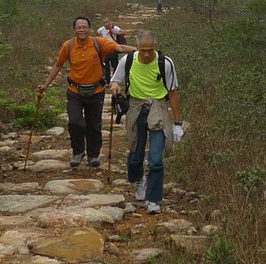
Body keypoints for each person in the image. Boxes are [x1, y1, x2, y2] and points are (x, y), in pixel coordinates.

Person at [38, 16, 135, 168]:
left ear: (89, 29)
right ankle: (78, 152)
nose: (81, 30)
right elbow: (58, 65)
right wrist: (45, 85)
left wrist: (141, 50)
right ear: (74, 29)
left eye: (84, 27)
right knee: (75, 122)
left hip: (96, 91)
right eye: (79, 27)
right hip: (75, 91)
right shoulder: (68, 45)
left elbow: (120, 48)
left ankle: (93, 155)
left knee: (94, 125)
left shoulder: (98, 43)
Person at [109, 29, 183, 213]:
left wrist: (177, 124)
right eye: (143, 50)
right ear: (137, 46)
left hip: (158, 108)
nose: (147, 54)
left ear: (156, 46)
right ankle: (139, 179)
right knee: (136, 154)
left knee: (156, 159)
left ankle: (153, 199)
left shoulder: (165, 63)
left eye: (150, 50)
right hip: (135, 108)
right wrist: (115, 86)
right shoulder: (128, 61)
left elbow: (173, 94)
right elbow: (115, 80)